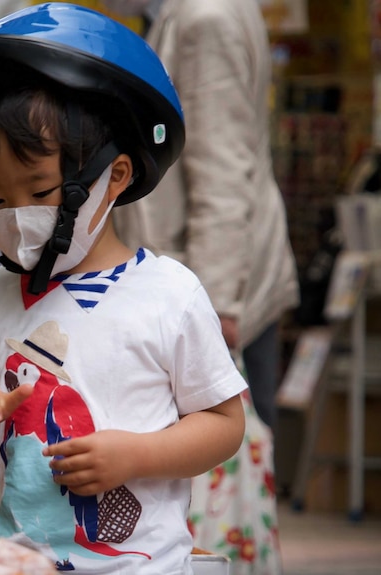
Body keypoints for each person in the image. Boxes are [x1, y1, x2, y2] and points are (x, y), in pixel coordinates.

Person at [0, 4, 246, 573]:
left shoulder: (169, 295)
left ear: (114, 176)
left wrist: (138, 454)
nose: (15, 214)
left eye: (40, 189)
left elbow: (224, 425)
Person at [105, 0, 300, 434]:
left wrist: (216, 308)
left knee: (221, 463)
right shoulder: (195, 13)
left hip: (216, 286)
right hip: (211, 278)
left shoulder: (204, 18)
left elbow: (221, 170)